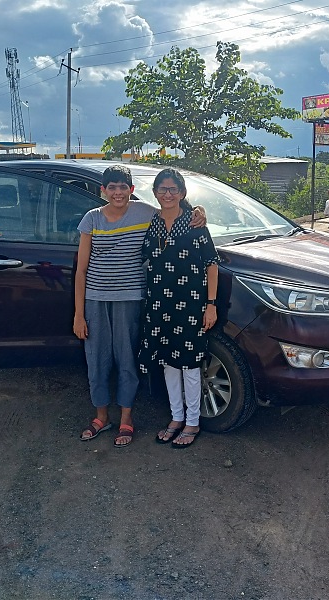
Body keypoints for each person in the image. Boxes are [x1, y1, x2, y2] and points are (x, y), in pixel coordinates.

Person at [73, 165, 205, 447]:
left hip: (131, 298)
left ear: (131, 190)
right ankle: (100, 416)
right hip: (96, 298)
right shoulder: (92, 219)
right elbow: (81, 270)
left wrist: (199, 210)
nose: (118, 192)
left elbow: (174, 209)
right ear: (103, 191)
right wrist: (78, 314)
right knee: (96, 359)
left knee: (126, 359)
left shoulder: (145, 212)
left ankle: (126, 418)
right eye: (112, 187)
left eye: (123, 187)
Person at [139, 168, 220, 449]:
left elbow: (212, 264)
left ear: (183, 193)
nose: (168, 194)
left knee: (190, 364)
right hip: (160, 303)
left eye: (174, 189)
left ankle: (193, 421)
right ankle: (176, 417)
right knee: (168, 362)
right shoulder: (152, 222)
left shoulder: (195, 223)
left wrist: (210, 305)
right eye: (163, 189)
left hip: (192, 303)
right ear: (155, 193)